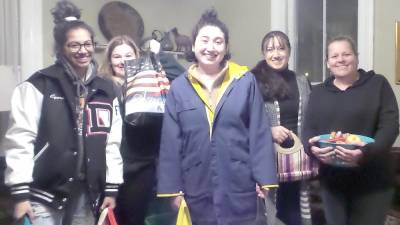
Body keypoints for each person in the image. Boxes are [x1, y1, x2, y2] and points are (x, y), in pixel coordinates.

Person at [2, 1, 123, 225]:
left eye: (87, 44)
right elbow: (20, 140)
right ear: (60, 49)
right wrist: (20, 194)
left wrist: (111, 188)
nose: (83, 50)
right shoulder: (40, 85)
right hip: (43, 195)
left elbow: (111, 144)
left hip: (87, 196)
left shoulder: (106, 91)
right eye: (74, 45)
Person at [156, 10, 278, 225]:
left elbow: (258, 131)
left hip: (240, 180)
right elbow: (170, 143)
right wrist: (172, 189)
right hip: (196, 183)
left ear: (226, 47)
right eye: (204, 40)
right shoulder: (179, 88)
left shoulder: (245, 81)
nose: (211, 47)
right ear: (193, 45)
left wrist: (264, 178)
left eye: (218, 41)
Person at [303, 35, 399, 225]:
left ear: (356, 57)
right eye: (335, 56)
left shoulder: (378, 84)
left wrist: (365, 152)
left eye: (346, 54)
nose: (340, 59)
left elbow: (390, 125)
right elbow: (308, 130)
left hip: (373, 182)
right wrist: (312, 149)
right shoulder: (319, 92)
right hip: (333, 183)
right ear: (327, 62)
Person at [99, 35, 184, 225]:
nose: (123, 61)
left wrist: (157, 56)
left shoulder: (149, 82)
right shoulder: (102, 87)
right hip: (109, 170)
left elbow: (180, 75)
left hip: (142, 168)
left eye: (129, 55)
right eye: (117, 56)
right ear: (110, 61)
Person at [251, 30, 315, 225]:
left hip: (297, 163)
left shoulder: (302, 81)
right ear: (263, 53)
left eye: (281, 48)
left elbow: (311, 117)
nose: (276, 54)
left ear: (289, 51)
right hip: (268, 161)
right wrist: (269, 130)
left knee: (295, 213)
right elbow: (243, 120)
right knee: (270, 215)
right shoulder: (253, 81)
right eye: (270, 49)